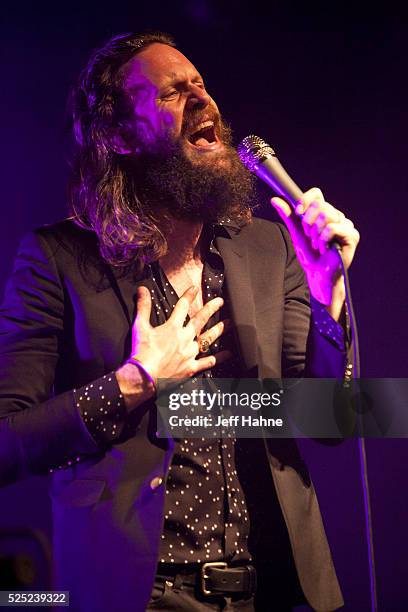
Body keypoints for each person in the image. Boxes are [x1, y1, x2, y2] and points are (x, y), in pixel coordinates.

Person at [0, 31, 359, 611]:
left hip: (269, 589)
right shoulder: (58, 259)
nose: (201, 99)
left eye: (200, 85)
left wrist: (327, 295)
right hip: (141, 594)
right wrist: (133, 383)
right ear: (119, 135)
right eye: (171, 93)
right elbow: (6, 440)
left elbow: (330, 422)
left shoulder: (268, 247)